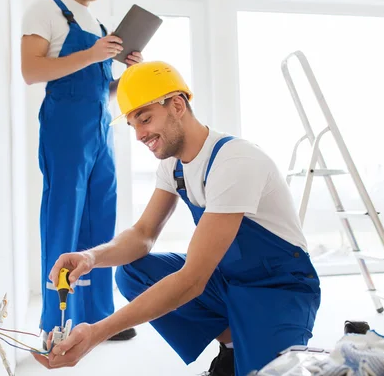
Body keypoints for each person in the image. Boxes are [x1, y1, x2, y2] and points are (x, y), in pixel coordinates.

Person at [33, 61, 322, 376]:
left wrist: (98, 332)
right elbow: (143, 234)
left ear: (177, 105)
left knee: (269, 373)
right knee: (132, 272)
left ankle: (257, 344)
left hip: (277, 287)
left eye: (145, 119)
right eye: (133, 125)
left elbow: (192, 281)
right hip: (227, 279)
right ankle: (231, 347)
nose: (141, 135)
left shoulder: (235, 162)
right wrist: (91, 257)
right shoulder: (173, 166)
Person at [20, 0, 142, 342]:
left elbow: (104, 88)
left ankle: (99, 317)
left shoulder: (97, 23)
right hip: (66, 125)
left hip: (101, 126)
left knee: (101, 218)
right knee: (64, 218)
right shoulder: (44, 10)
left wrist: (129, 71)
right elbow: (32, 71)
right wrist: (93, 53)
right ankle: (56, 322)